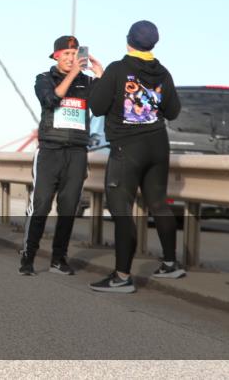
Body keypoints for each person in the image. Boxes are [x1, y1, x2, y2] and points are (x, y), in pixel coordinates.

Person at [87, 20, 184, 293]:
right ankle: (170, 263)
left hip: (127, 148)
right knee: (159, 204)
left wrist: (99, 78)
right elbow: (173, 111)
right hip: (158, 146)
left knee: (121, 210)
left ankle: (122, 277)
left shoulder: (118, 69)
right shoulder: (163, 73)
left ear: (128, 40)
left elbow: (97, 107)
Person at [19, 36, 104, 277]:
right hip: (50, 151)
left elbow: (101, 107)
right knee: (41, 205)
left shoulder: (87, 82)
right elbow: (51, 100)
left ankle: (59, 259)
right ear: (56, 56)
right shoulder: (44, 78)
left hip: (77, 152)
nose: (71, 58)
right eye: (66, 54)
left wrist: (100, 74)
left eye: (75, 54)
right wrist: (73, 73)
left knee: (68, 207)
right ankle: (28, 256)